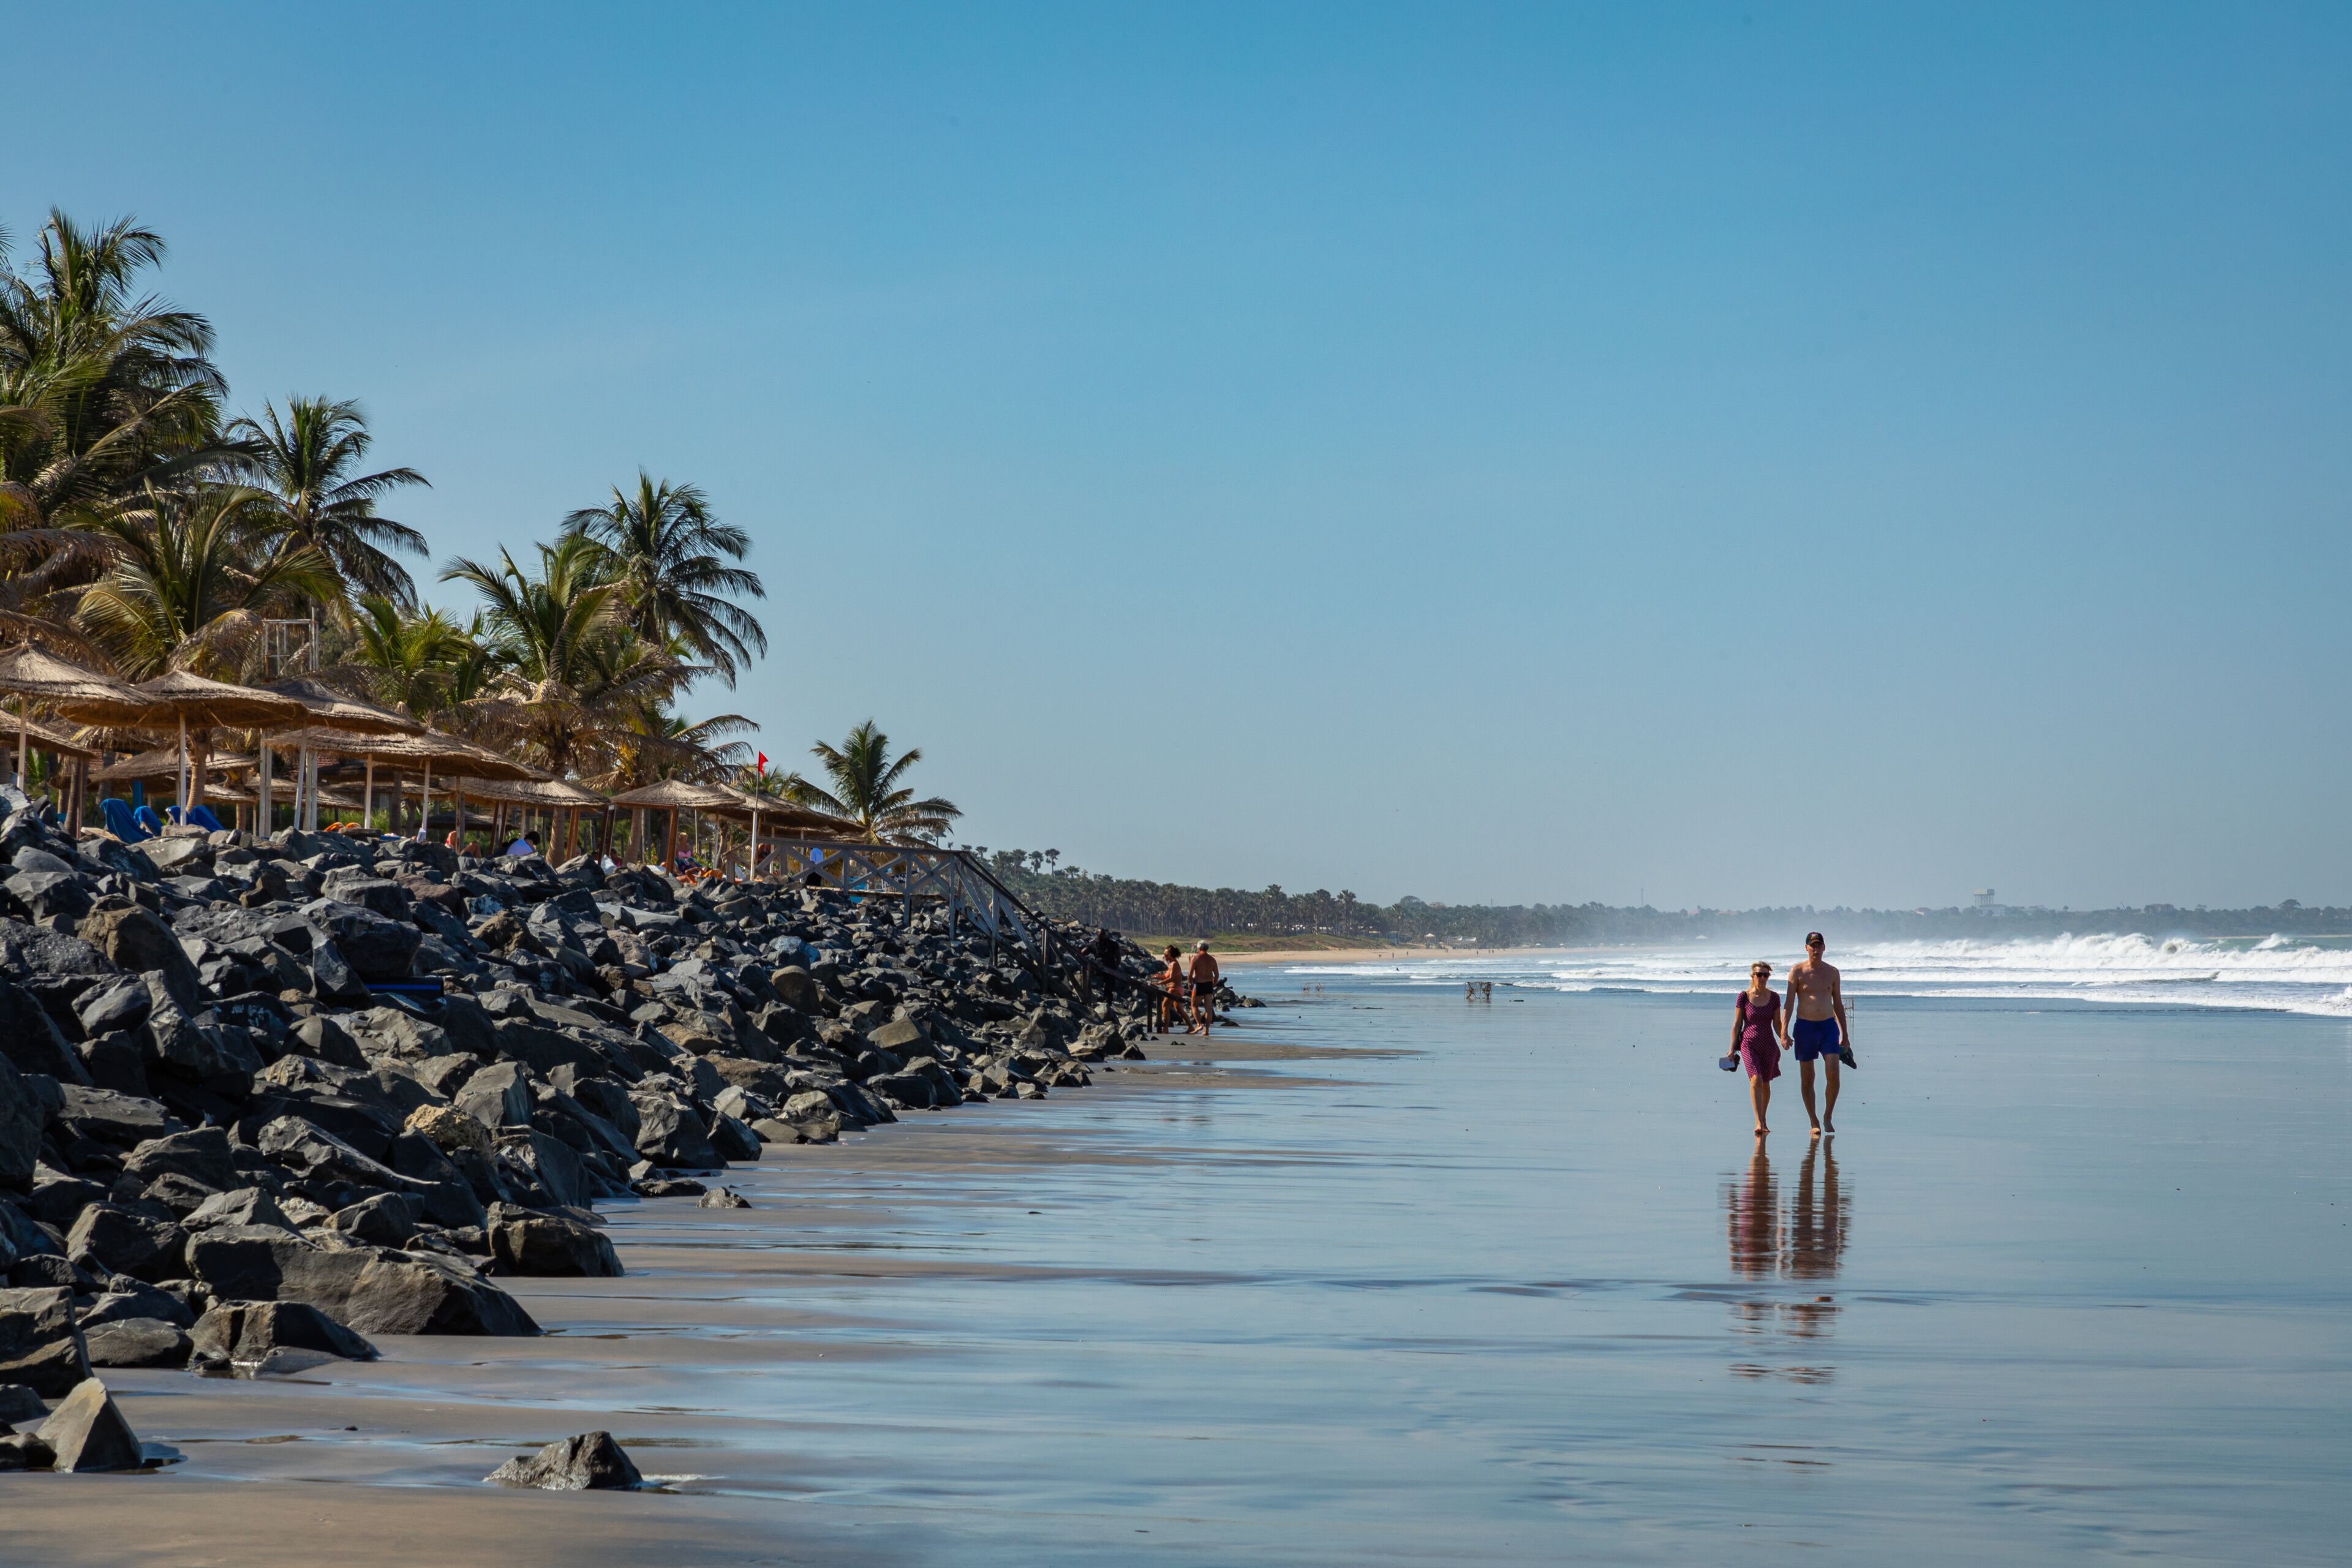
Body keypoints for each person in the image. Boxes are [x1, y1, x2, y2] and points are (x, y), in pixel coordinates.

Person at [1785, 931, 1853, 1136]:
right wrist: (1783, 1031)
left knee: (1833, 1073)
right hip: (1805, 1027)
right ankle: (1814, 1120)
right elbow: (1789, 1004)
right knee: (1808, 1078)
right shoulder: (1797, 972)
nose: (1816, 949)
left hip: (1828, 1027)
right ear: (1806, 948)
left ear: (1824, 948)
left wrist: (1845, 1034)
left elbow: (1838, 1004)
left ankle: (1828, 1116)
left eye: (1819, 946)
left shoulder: (1833, 972)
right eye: (1812, 946)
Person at [1730, 959, 1784, 1136]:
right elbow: (1737, 1024)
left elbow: (1777, 1023)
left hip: (1769, 1044)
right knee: (1756, 1080)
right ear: (1753, 976)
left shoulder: (1774, 997)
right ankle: (1758, 1121)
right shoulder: (1743, 997)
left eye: (1766, 975)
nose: (1762, 978)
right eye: (1759, 975)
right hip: (1749, 1043)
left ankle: (1764, 1118)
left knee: (1766, 1083)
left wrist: (1784, 1037)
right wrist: (1731, 1049)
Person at [1186, 940, 1221, 1035]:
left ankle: (1199, 1024)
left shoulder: (1196, 958)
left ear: (1199, 948)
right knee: (1208, 1008)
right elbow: (1217, 975)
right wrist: (1213, 984)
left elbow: (1189, 974)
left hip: (1199, 984)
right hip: (1209, 984)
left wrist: (1190, 983)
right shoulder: (1212, 960)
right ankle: (1207, 1030)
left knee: (1194, 1006)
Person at [1155, 944, 1186, 1033]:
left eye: (1165, 954)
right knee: (1179, 1010)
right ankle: (1191, 1027)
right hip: (1176, 989)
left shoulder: (1174, 964)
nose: (1164, 956)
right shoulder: (1172, 964)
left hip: (1174, 989)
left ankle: (1165, 1028)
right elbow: (1166, 976)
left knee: (1165, 1006)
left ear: (1170, 955)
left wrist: (1160, 983)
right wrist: (1159, 976)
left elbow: (1172, 978)